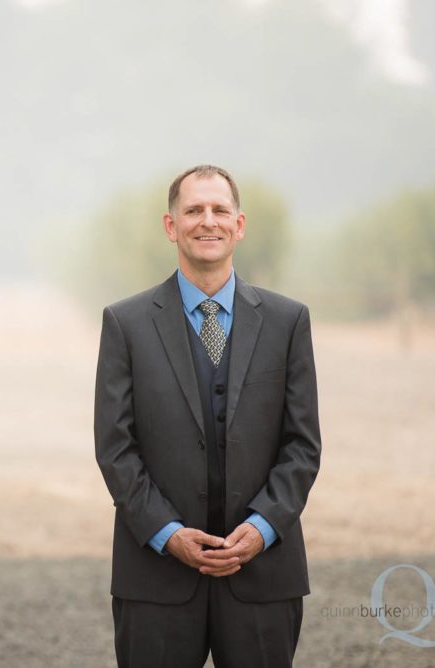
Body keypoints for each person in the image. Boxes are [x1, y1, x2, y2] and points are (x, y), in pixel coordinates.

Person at [94, 165, 321, 667]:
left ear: (239, 225)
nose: (207, 221)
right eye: (193, 210)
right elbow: (115, 449)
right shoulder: (125, 324)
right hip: (154, 578)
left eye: (219, 210)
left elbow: (303, 446)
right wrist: (167, 533)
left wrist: (261, 528)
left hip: (264, 576)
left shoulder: (288, 322)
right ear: (171, 226)